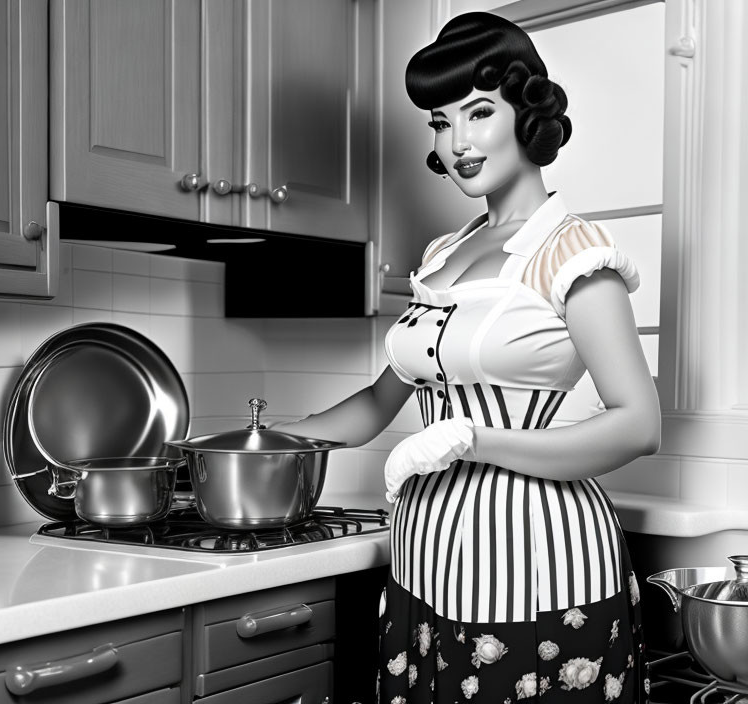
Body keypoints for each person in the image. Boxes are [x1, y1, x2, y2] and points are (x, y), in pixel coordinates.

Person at [276, 12, 660, 703]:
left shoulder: (575, 254)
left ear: (528, 112)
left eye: (479, 113)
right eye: (440, 122)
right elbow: (376, 403)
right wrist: (270, 440)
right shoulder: (443, 255)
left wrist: (475, 440)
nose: (458, 142)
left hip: (537, 567)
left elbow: (638, 424)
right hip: (426, 563)